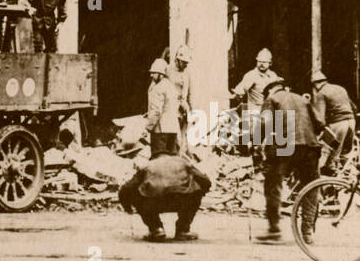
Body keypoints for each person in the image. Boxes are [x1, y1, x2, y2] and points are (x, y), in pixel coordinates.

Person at [118, 58, 210, 242]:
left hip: (160, 128)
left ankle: (156, 228)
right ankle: (183, 229)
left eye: (154, 73)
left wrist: (147, 128)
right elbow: (205, 181)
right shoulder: (171, 86)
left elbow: (156, 110)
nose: (152, 76)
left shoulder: (158, 88)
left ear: (161, 74)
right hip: (172, 128)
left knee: (151, 177)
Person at [257, 74, 324, 245]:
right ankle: (307, 232)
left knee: (273, 183)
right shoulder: (302, 99)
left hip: (284, 146)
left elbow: (263, 124)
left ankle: (274, 230)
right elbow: (320, 124)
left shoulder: (272, 99)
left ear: (270, 89)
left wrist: (255, 144)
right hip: (309, 146)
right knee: (311, 186)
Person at [310, 70, 356, 174]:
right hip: (351, 121)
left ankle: (330, 181)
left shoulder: (321, 93)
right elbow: (354, 107)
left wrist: (317, 131)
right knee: (345, 153)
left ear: (315, 84)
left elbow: (320, 118)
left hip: (337, 123)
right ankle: (346, 178)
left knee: (329, 153)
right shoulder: (340, 88)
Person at [231, 47, 275, 140]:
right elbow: (241, 88)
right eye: (259, 61)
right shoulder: (251, 75)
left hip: (269, 109)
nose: (261, 64)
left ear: (270, 63)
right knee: (255, 135)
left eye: (264, 62)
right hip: (255, 108)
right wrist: (238, 94)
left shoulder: (273, 76)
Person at [170, 45, 192, 148]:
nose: (186, 65)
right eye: (184, 62)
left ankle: (181, 156)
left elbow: (188, 93)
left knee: (183, 137)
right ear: (177, 60)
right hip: (171, 109)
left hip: (183, 110)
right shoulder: (168, 71)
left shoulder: (186, 74)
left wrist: (188, 108)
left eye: (187, 63)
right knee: (173, 137)